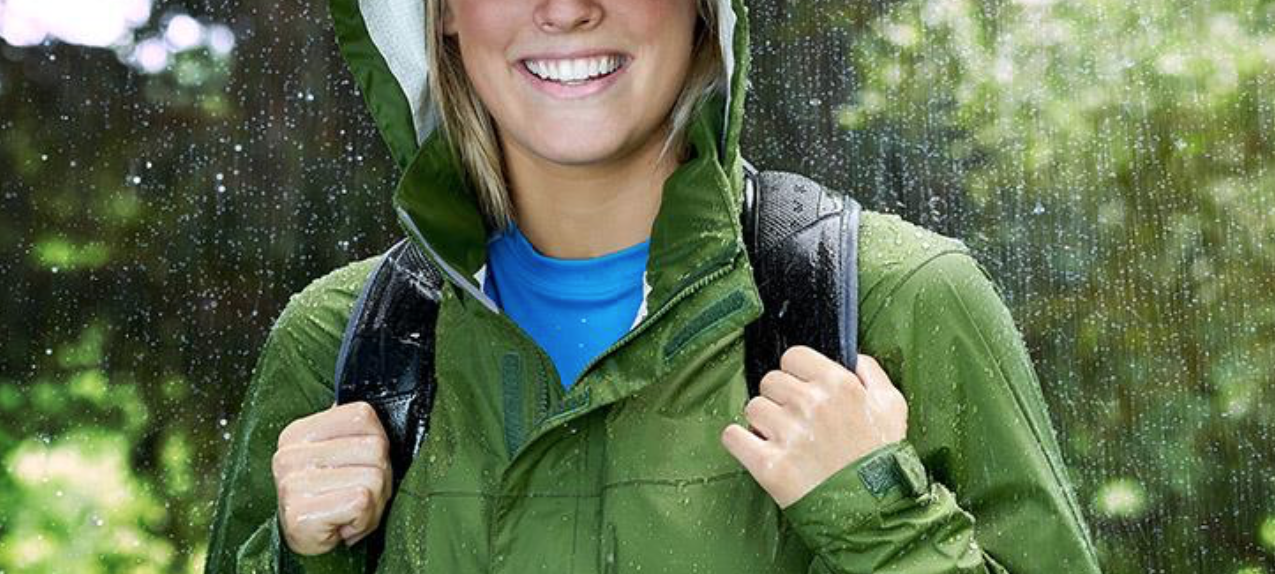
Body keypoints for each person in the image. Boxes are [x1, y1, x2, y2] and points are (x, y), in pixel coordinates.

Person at [203, 0, 1102, 571]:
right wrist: (300, 558)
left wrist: (883, 521)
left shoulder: (898, 300)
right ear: (438, 14)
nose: (566, 10)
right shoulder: (340, 343)